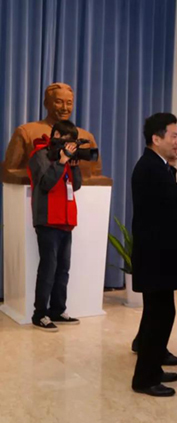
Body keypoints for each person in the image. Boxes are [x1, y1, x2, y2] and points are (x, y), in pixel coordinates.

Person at [130, 112, 177, 397]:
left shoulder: (158, 166)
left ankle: (155, 362)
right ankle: (144, 379)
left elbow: (172, 197)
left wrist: (171, 167)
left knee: (159, 312)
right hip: (155, 257)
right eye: (174, 136)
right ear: (156, 139)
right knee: (159, 315)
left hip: (158, 255)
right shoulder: (150, 168)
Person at [27, 120, 83, 331]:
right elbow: (45, 184)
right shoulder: (40, 155)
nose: (70, 147)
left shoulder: (65, 158)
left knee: (62, 269)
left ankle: (57, 310)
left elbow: (75, 186)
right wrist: (61, 161)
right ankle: (39, 314)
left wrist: (74, 167)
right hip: (48, 220)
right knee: (48, 269)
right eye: (67, 141)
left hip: (66, 221)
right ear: (56, 135)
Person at [4, 82, 109, 185]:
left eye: (69, 103)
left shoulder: (86, 137)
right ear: (46, 104)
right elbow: (9, 171)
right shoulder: (26, 132)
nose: (64, 108)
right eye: (59, 102)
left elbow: (96, 173)